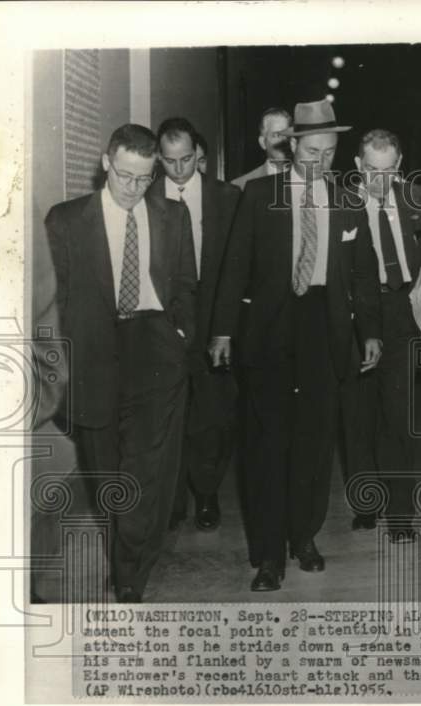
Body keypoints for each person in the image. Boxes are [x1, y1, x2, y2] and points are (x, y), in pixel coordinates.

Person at [209, 99, 381, 591]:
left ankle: (303, 538)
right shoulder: (260, 195)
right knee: (266, 444)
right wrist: (222, 330)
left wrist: (369, 331)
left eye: (328, 152)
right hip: (268, 328)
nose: (320, 161)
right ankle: (267, 555)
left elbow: (365, 275)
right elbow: (234, 267)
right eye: (311, 150)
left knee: (315, 442)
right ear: (292, 146)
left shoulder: (349, 200)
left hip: (323, 329)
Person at [45, 123, 196, 602]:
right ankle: (127, 554)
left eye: (144, 178)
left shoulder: (174, 216)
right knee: (107, 474)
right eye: (125, 175)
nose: (133, 188)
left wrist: (180, 334)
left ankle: (130, 574)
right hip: (93, 354)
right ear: (106, 163)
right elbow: (54, 302)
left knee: (143, 471)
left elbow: (186, 284)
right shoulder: (66, 221)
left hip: (153, 349)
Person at [151, 117, 241, 532]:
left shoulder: (226, 197)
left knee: (212, 414)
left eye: (188, 159)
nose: (181, 169)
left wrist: (226, 325)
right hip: (163, 318)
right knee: (167, 413)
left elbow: (239, 268)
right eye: (170, 162)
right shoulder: (143, 197)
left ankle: (206, 493)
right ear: (158, 158)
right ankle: (170, 501)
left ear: (198, 153)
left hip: (212, 317)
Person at [345, 129, 421, 540]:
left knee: (399, 415)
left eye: (389, 170)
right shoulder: (341, 204)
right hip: (357, 312)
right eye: (372, 171)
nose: (380, 180)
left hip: (403, 310)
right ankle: (366, 502)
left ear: (399, 165)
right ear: (359, 166)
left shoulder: (415, 198)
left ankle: (401, 515)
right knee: (360, 414)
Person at [230, 106, 292, 191]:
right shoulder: (242, 186)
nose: (284, 141)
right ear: (263, 142)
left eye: (288, 135)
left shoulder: (307, 179)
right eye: (276, 135)